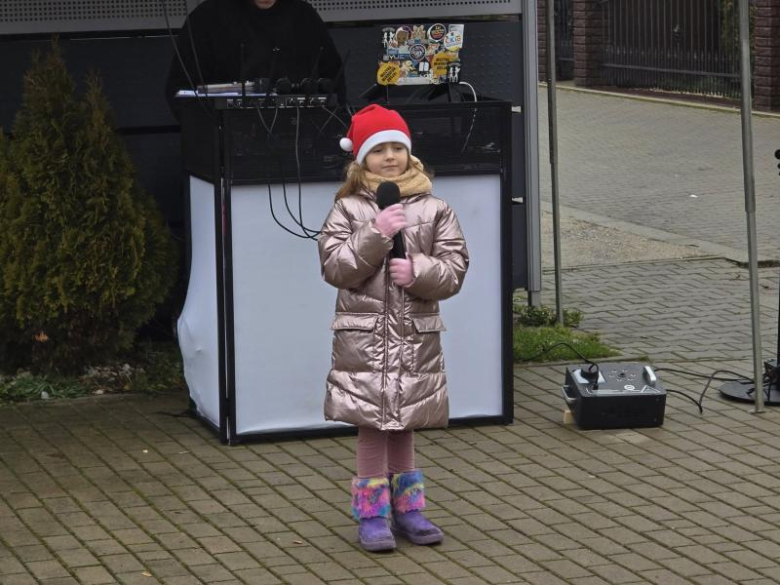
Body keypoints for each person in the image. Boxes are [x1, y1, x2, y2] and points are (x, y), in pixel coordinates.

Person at [317, 105, 469, 552]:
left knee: (405, 423)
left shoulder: (436, 209)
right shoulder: (347, 209)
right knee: (372, 425)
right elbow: (335, 268)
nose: (389, 157)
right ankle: (372, 515)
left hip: (414, 337)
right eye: (378, 149)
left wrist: (419, 270)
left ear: (409, 153)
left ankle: (409, 510)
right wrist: (376, 233)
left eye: (396, 147)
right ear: (361, 157)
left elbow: (454, 269)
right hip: (364, 340)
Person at [165, 0, 344, 117]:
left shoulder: (304, 16)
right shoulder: (205, 19)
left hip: (300, 142)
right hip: (226, 147)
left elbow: (334, 83)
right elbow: (181, 93)